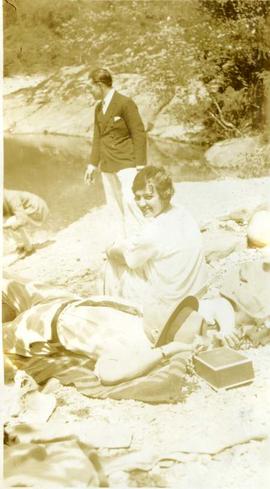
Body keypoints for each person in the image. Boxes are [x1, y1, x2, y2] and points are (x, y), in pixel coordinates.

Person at [104, 165, 208, 344]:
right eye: (138, 198)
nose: (142, 204)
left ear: (165, 193)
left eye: (148, 197)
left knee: (112, 262)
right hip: (194, 295)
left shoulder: (154, 231)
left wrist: (110, 249)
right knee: (134, 256)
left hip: (171, 301)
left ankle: (112, 321)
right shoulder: (183, 213)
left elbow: (129, 258)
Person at [84, 68, 147, 236]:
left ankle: (145, 238)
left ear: (99, 85)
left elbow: (139, 133)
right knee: (114, 206)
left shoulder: (125, 103)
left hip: (127, 162)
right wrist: (92, 164)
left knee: (130, 201)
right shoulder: (98, 108)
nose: (89, 92)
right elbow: (97, 137)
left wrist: (140, 166)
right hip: (107, 164)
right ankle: (123, 243)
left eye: (90, 88)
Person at [3, 189, 49, 256]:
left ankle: (28, 249)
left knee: (11, 222)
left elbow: (22, 219)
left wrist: (7, 226)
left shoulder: (11, 197)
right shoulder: (5, 199)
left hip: (38, 209)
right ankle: (21, 246)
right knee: (8, 222)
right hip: (29, 209)